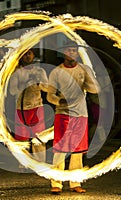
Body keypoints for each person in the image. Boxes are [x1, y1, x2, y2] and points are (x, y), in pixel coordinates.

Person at [46, 40, 100, 194]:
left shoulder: (83, 69)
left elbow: (94, 90)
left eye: (74, 51)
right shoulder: (56, 72)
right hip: (63, 115)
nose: (72, 53)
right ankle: (56, 183)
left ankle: (75, 182)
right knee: (60, 151)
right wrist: (59, 101)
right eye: (69, 50)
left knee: (77, 151)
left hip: (81, 115)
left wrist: (89, 77)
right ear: (63, 53)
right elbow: (50, 96)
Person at [9, 49, 49, 171]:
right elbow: (12, 91)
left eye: (29, 53)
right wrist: (24, 85)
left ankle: (40, 163)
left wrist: (38, 84)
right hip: (21, 109)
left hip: (37, 107)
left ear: (33, 56)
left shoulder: (39, 71)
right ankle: (23, 163)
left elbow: (47, 87)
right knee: (22, 138)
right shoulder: (17, 73)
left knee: (38, 137)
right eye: (24, 54)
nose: (27, 56)